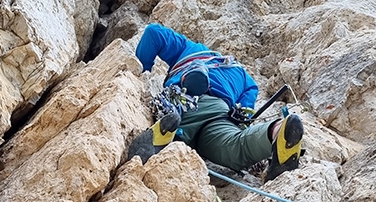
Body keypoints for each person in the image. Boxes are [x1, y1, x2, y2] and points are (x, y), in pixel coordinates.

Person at [128, 23, 303, 182]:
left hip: (187, 102)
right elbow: (244, 116)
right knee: (237, 146)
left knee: (180, 128)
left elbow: (153, 33)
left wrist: (140, 74)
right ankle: (276, 131)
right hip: (220, 113)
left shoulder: (190, 49)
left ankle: (166, 134)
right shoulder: (245, 78)